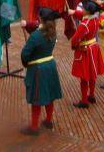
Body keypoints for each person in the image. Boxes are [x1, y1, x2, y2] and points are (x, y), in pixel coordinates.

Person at [20, 7, 62, 136]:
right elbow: (36, 26)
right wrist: (27, 24)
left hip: (38, 69)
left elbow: (25, 54)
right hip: (50, 65)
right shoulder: (52, 31)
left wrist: (26, 64)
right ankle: (48, 120)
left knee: (36, 98)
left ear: (40, 19)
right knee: (49, 95)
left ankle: (34, 127)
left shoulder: (36, 36)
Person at [69, 0, 104, 108]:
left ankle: (84, 100)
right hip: (94, 47)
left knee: (84, 76)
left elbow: (74, 40)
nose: (82, 10)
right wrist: (74, 12)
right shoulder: (95, 19)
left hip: (85, 50)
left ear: (87, 11)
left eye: (83, 9)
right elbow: (83, 15)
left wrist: (75, 47)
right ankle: (92, 95)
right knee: (92, 74)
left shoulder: (84, 25)